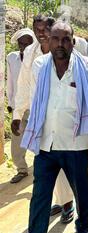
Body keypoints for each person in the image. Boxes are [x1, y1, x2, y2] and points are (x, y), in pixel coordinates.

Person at [14, 22, 88, 233]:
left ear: (73, 40)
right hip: (46, 144)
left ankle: (82, 227)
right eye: (55, 39)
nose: (59, 44)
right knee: (39, 199)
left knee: (81, 190)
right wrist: (21, 116)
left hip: (77, 143)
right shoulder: (39, 66)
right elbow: (37, 100)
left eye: (65, 39)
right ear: (50, 41)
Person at [12, 15, 76, 220]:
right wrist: (17, 113)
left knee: (62, 159)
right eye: (36, 29)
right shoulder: (31, 53)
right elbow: (24, 84)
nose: (40, 33)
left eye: (45, 29)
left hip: (64, 115)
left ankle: (68, 203)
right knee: (46, 161)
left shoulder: (66, 51)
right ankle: (61, 200)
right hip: (39, 117)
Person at [7, 28, 35, 184]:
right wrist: (10, 102)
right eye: (21, 44)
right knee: (17, 138)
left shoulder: (38, 59)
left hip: (34, 104)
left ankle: (42, 168)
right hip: (18, 106)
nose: (23, 47)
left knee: (39, 136)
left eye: (27, 44)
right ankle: (22, 169)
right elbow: (10, 82)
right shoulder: (12, 58)